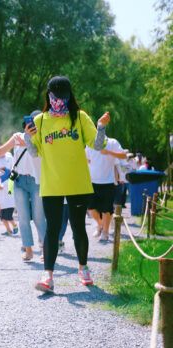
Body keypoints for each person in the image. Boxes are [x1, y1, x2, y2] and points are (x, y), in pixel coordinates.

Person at [24, 76, 110, 293]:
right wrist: (27, 137)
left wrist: (100, 127)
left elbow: (97, 146)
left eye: (63, 96)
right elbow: (34, 152)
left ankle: (83, 268)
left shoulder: (80, 118)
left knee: (78, 228)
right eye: (56, 96)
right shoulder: (41, 121)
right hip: (51, 185)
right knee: (52, 230)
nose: (59, 100)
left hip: (78, 184)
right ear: (49, 95)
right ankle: (48, 276)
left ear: (69, 95)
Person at [0, 112, 46, 262]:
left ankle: (45, 249)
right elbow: (1, 150)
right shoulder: (17, 137)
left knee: (39, 217)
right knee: (22, 217)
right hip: (19, 181)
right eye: (31, 122)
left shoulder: (43, 138)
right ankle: (28, 250)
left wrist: (30, 140)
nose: (33, 125)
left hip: (37, 181)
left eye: (36, 123)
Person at [86, 137, 126, 243]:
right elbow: (87, 159)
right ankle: (100, 225)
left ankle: (105, 232)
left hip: (108, 182)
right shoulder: (90, 143)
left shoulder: (112, 142)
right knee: (90, 208)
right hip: (92, 182)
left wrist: (108, 152)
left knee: (106, 209)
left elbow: (123, 155)